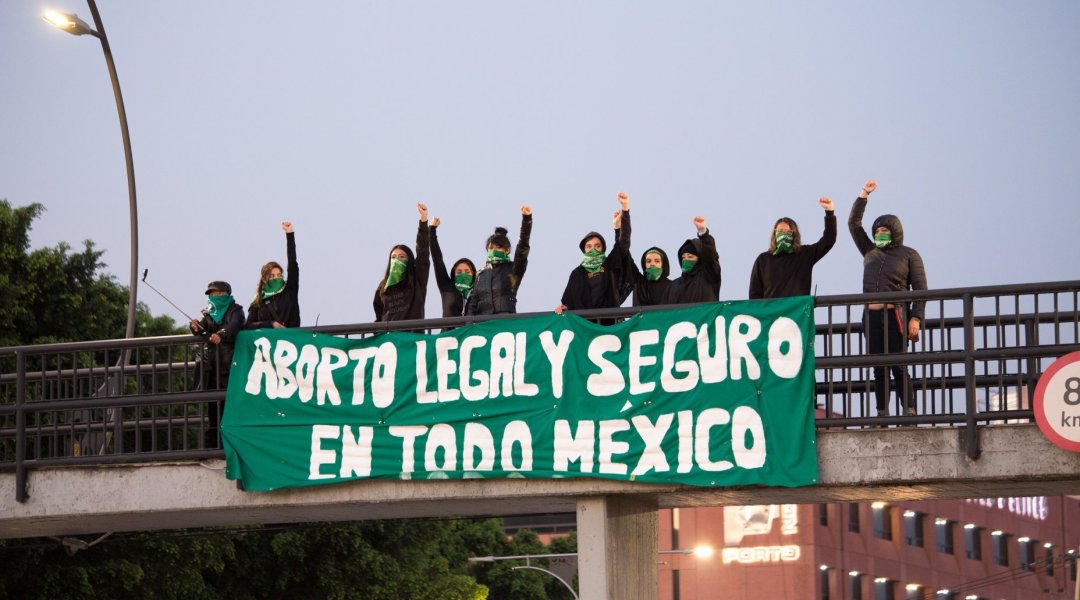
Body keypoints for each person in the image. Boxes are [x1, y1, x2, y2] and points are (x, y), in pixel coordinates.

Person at [848, 179, 928, 416]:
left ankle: (909, 410)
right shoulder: (870, 251)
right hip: (871, 317)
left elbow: (921, 289)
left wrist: (916, 318)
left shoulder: (909, 254)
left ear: (895, 233)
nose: (880, 234)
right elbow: (853, 224)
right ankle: (882, 413)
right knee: (878, 369)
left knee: (899, 367)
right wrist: (864, 195)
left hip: (896, 315)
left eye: (885, 231)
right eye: (877, 231)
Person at [555, 193, 633, 316]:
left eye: (597, 246)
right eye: (589, 246)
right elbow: (568, 302)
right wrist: (564, 307)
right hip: (585, 328)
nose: (593, 249)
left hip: (610, 325)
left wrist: (624, 209)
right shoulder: (577, 273)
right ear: (584, 250)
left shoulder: (609, 265)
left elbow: (623, 243)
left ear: (603, 249)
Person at [189, 280, 245, 447]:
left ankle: (231, 444)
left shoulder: (236, 310)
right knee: (213, 408)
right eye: (211, 295)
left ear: (226, 294)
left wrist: (221, 334)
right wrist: (195, 327)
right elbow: (201, 328)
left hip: (231, 367)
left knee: (230, 406)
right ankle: (212, 446)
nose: (214, 297)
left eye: (217, 294)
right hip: (212, 368)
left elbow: (234, 326)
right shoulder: (209, 313)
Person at [748, 197, 837, 299]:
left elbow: (828, 240)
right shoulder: (763, 260)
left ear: (794, 235)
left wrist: (830, 213)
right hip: (771, 314)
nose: (783, 234)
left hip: (796, 313)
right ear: (774, 234)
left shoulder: (804, 254)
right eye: (780, 231)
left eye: (787, 232)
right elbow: (754, 294)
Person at [464, 206, 533, 316]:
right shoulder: (481, 274)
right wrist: (468, 326)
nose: (493, 250)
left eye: (498, 247)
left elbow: (522, 249)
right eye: (491, 248)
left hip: (504, 322)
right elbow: (473, 303)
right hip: (483, 325)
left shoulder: (513, 269)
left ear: (507, 250)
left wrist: (526, 220)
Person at [375, 203, 431, 322]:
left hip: (412, 337)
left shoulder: (417, 280)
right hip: (389, 339)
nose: (397, 261)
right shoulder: (382, 287)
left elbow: (423, 253)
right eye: (394, 257)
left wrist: (423, 221)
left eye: (402, 257)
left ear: (409, 261)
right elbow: (379, 316)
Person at [244, 221, 301, 330]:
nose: (277, 278)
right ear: (265, 279)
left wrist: (290, 235)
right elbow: (248, 325)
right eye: (272, 276)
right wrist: (270, 324)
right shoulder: (259, 300)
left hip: (291, 342)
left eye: (279, 275)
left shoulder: (289, 291)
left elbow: (293, 265)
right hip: (269, 345)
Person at [664, 216, 721, 304]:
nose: (686, 260)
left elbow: (711, 257)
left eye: (690, 257)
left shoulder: (708, 277)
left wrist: (703, 232)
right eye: (683, 257)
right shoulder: (673, 286)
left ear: (700, 259)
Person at [429, 216, 477, 318]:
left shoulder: (478, 292)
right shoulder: (446, 287)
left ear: (474, 275)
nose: (463, 274)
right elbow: (437, 260)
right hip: (449, 334)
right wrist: (432, 230)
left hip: (471, 334)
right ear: (453, 275)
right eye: (459, 272)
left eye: (467, 272)